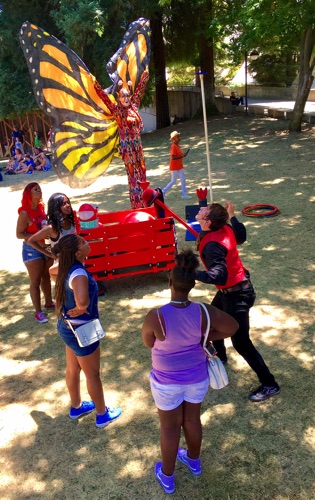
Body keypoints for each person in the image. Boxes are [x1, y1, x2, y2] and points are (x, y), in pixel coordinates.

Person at [142, 249, 238, 494]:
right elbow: (233, 327)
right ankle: (194, 463)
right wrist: (206, 336)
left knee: (170, 427)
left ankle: (168, 476)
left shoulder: (156, 316)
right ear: (193, 284)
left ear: (170, 282)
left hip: (165, 382)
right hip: (197, 378)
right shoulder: (204, 311)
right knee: (192, 419)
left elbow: (148, 343)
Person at [195, 201, 280, 402]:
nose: (200, 209)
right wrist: (232, 216)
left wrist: (191, 274)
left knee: (241, 342)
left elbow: (219, 276)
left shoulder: (213, 245)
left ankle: (270, 384)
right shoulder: (224, 227)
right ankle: (221, 357)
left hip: (237, 294)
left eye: (203, 210)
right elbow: (241, 236)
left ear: (207, 221)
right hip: (232, 290)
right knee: (212, 320)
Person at [52, 234, 122, 428]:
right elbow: (82, 300)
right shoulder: (79, 274)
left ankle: (76, 407)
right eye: (83, 242)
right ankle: (102, 414)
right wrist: (82, 307)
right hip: (82, 329)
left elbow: (51, 271)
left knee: (73, 368)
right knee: (93, 374)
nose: (87, 243)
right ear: (77, 253)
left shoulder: (66, 267)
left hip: (67, 326)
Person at [94, 73, 149, 209]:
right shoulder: (117, 111)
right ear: (119, 98)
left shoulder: (134, 107)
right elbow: (104, 98)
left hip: (138, 147)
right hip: (128, 149)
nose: (126, 98)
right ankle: (137, 205)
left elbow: (140, 90)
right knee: (133, 177)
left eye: (127, 96)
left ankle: (146, 202)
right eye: (123, 96)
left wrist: (144, 77)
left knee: (142, 173)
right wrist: (95, 84)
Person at [16, 182, 54, 323]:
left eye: (40, 189)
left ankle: (49, 303)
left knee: (46, 276)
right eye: (35, 190)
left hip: (46, 247)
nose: (39, 191)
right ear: (28, 194)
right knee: (35, 281)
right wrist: (34, 239)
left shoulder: (41, 208)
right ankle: (38, 312)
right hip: (32, 250)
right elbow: (19, 234)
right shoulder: (25, 213)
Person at [28, 193, 76, 280]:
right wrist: (49, 254)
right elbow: (31, 240)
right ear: (56, 208)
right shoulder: (52, 227)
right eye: (63, 204)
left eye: (68, 202)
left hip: (77, 261)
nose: (68, 205)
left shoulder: (72, 221)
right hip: (63, 266)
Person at [162, 131, 191, 200]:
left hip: (179, 166)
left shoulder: (177, 146)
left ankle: (184, 195)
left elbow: (179, 155)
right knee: (173, 181)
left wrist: (183, 155)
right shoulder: (173, 146)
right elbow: (173, 157)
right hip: (175, 167)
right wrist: (182, 156)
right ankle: (162, 192)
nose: (179, 138)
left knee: (182, 179)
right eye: (177, 137)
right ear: (173, 139)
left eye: (179, 136)